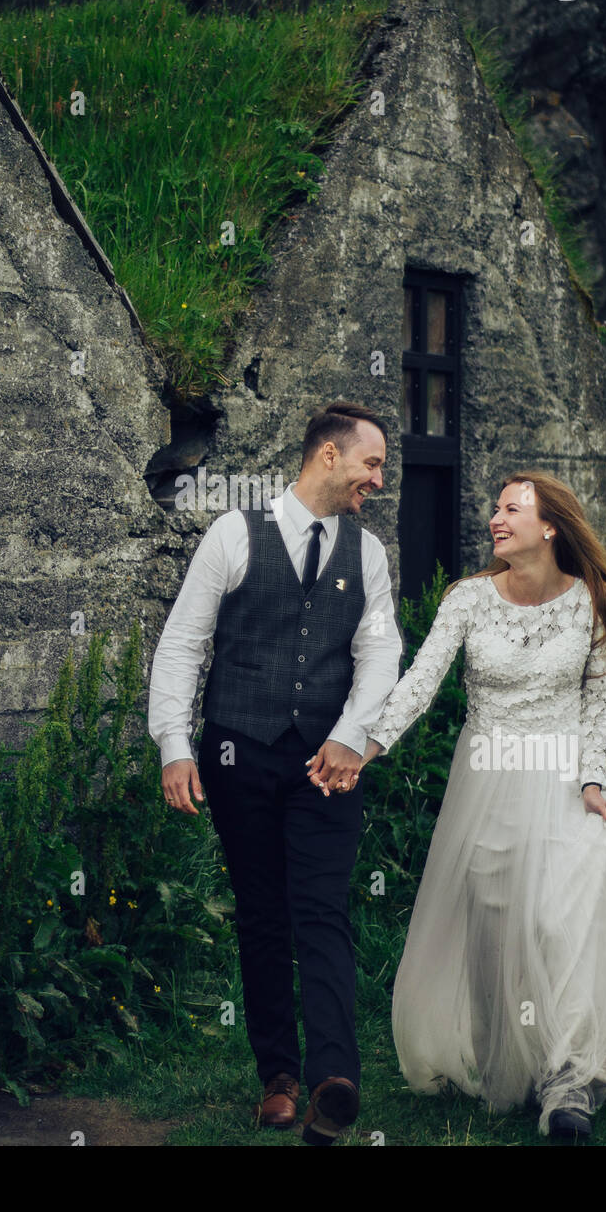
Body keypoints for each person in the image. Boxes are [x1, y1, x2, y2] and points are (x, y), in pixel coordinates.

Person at [359, 471, 606, 1140]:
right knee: (494, 920)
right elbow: (420, 683)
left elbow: (596, 707)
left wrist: (592, 780)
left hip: (562, 778)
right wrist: (365, 748)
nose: (496, 517)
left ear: (549, 526)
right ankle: (507, 1066)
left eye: (511, 508)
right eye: (495, 508)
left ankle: (567, 1080)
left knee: (559, 920)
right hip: (486, 777)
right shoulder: (466, 600)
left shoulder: (594, 601)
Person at [148, 402, 401, 1144]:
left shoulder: (371, 555)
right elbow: (184, 644)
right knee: (262, 915)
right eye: (371, 464)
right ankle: (279, 1078)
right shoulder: (234, 534)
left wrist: (352, 737)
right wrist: (174, 744)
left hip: (329, 765)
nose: (377, 480)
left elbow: (380, 656)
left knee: (322, 910)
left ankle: (333, 1080)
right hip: (239, 755)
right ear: (328, 455)